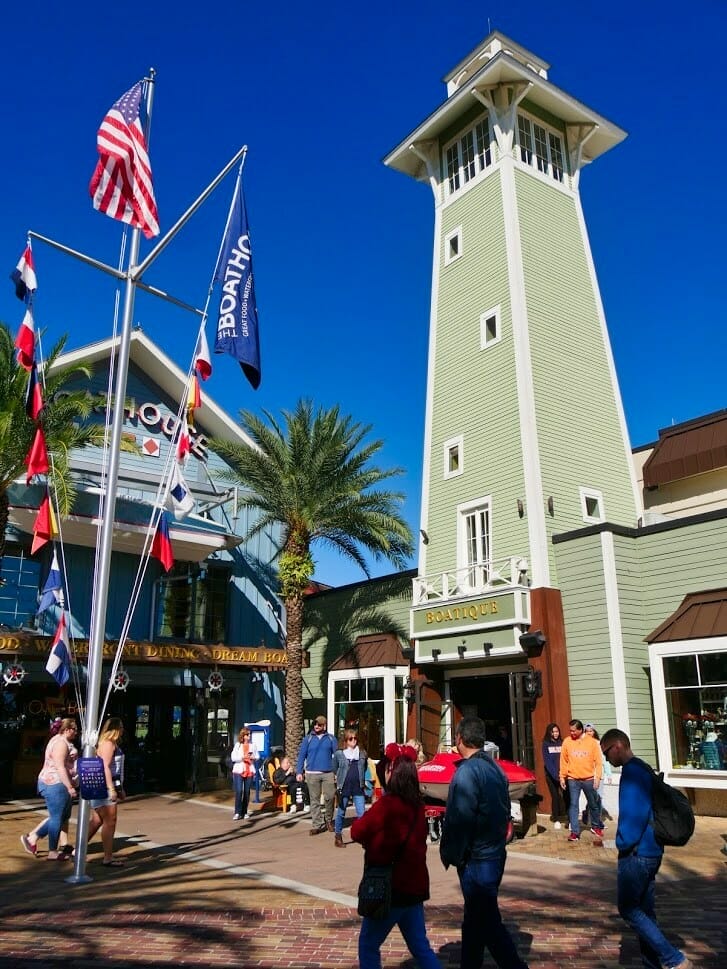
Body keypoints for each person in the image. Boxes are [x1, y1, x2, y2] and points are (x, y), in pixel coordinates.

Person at [440, 716, 529, 969]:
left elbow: (460, 817)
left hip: (478, 858)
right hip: (494, 852)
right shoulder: (496, 769)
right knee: (474, 919)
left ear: (459, 738)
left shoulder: (467, 771)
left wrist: (451, 853)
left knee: (487, 922)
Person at [600, 728, 691, 969]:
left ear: (617, 746)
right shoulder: (643, 767)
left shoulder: (631, 773)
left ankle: (674, 958)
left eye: (606, 752)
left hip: (637, 853)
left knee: (629, 909)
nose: (606, 759)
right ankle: (651, 964)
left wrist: (621, 843)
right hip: (652, 850)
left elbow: (633, 817)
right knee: (646, 913)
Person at [351, 744, 441, 969]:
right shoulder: (417, 806)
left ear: (392, 771)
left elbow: (357, 831)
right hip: (415, 887)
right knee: (421, 947)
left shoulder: (387, 805)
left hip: (389, 888)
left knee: (368, 944)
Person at [20, 718, 79, 860]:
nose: (76, 732)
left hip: (56, 783)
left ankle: (32, 838)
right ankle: (52, 851)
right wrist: (69, 787)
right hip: (55, 783)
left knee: (61, 816)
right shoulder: (61, 743)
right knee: (57, 817)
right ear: (67, 730)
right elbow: (60, 766)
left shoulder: (58, 740)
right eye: (74, 729)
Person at [87, 717, 126, 867]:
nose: (122, 730)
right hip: (104, 787)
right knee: (110, 821)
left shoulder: (108, 743)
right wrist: (111, 789)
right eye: (121, 727)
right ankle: (108, 857)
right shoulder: (108, 744)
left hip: (103, 785)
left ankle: (78, 849)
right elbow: (105, 767)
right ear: (115, 729)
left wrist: (119, 788)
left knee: (96, 821)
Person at [559, 718, 603, 842]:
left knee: (593, 804)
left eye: (573, 731)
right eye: (570, 731)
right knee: (573, 805)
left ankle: (595, 826)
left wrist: (597, 778)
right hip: (573, 779)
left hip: (589, 779)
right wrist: (562, 776)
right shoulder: (567, 742)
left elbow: (598, 762)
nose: (571, 733)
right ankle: (575, 832)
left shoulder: (592, 742)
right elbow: (563, 761)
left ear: (580, 730)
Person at [296, 714, 338, 836]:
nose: (316, 726)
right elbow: (301, 756)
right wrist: (299, 771)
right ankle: (317, 824)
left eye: (319, 724)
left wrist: (337, 772)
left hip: (328, 773)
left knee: (330, 797)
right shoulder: (307, 739)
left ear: (324, 725)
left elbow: (337, 756)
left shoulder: (331, 739)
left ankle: (329, 820)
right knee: (314, 800)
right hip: (311, 773)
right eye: (315, 724)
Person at [333, 729, 368, 846]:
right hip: (344, 787)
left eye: (355, 738)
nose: (353, 741)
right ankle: (338, 836)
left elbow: (365, 767)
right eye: (350, 739)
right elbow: (334, 767)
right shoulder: (339, 754)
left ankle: (363, 837)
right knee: (341, 813)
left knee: (362, 814)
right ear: (346, 741)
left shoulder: (362, 753)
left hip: (358, 787)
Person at [582, 723, 612, 825]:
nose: (589, 733)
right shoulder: (582, 744)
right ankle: (590, 818)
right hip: (588, 775)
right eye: (587, 731)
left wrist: (609, 774)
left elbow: (605, 760)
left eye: (591, 731)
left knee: (598, 798)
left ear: (594, 732)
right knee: (591, 798)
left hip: (600, 775)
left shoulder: (599, 744)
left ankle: (597, 821)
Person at [541, 723, 568, 828]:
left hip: (563, 774)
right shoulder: (545, 744)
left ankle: (567, 816)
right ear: (549, 732)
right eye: (553, 732)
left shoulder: (562, 742)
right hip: (551, 775)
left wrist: (563, 774)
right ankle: (556, 818)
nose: (555, 733)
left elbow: (565, 758)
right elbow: (548, 762)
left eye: (557, 731)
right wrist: (556, 775)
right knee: (555, 796)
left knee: (567, 795)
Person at [230, 726, 259, 820]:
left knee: (247, 792)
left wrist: (253, 757)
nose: (249, 736)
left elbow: (257, 756)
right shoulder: (238, 745)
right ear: (243, 735)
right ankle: (237, 812)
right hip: (239, 770)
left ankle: (244, 811)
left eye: (249, 734)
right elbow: (233, 757)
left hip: (249, 770)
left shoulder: (253, 745)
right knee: (239, 791)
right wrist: (242, 757)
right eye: (247, 734)